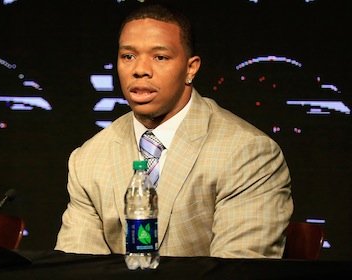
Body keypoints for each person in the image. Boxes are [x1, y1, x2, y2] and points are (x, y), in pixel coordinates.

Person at [55, 3, 293, 258]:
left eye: (160, 57)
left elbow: (239, 267)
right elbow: (76, 264)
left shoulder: (247, 153)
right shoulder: (88, 158)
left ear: (190, 68)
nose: (140, 69)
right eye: (128, 56)